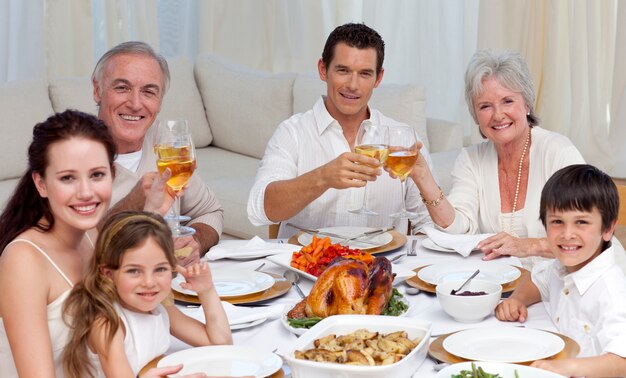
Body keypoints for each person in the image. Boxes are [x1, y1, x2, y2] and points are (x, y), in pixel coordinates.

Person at [247, 23, 435, 238]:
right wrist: (322, 177)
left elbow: (428, 225)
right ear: (322, 69)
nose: (353, 85)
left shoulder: (403, 139)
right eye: (343, 70)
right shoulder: (293, 133)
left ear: (378, 78)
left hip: (381, 266)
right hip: (308, 265)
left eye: (365, 73)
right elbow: (259, 210)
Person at [409, 49, 584, 266]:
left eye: (508, 101)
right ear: (475, 115)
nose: (498, 114)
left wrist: (527, 246)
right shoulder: (471, 159)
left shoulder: (559, 153)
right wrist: (423, 177)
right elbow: (456, 229)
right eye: (485, 106)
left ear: (527, 104)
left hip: (564, 280)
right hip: (500, 283)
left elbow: (585, 233)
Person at [0, 110, 116, 377]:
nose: (86, 192)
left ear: (113, 173)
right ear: (41, 184)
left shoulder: (91, 234)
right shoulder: (24, 261)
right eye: (68, 178)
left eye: (97, 174)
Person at [92, 41, 223, 264]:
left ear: (160, 101)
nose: (135, 104)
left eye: (148, 92)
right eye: (122, 88)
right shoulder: (73, 155)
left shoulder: (166, 145)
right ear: (98, 90)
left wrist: (196, 242)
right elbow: (70, 251)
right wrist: (133, 204)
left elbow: (210, 212)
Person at [62, 210, 232, 378]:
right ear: (108, 273)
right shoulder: (107, 324)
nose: (149, 282)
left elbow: (220, 343)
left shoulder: (160, 307)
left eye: (160, 269)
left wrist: (206, 290)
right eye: (134, 271)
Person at [495, 164, 626, 377]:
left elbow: (622, 363)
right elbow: (537, 281)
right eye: (557, 222)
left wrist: (569, 367)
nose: (567, 234)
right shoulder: (561, 266)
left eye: (581, 222)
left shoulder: (612, 291)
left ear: (608, 229)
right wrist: (518, 299)